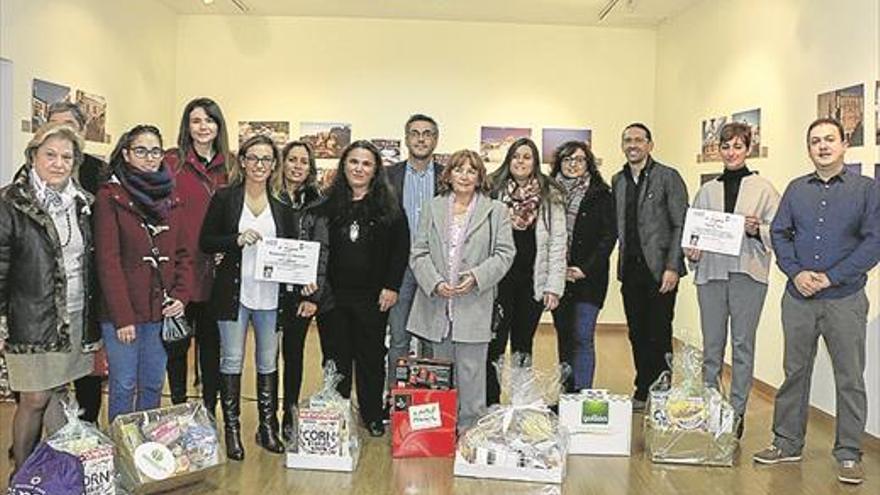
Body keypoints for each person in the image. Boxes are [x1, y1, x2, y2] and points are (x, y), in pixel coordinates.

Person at [754, 118, 880, 485]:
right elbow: (780, 233)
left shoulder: (867, 190)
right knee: (795, 372)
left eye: (829, 139)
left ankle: (848, 453)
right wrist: (795, 273)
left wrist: (830, 276)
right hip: (798, 298)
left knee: (850, 378)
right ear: (808, 149)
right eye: (815, 141)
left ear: (844, 145)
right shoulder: (796, 189)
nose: (822, 146)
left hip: (845, 298)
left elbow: (874, 242)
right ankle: (787, 442)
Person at [0, 123, 98, 470]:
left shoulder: (83, 204)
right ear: (33, 156)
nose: (58, 163)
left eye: (67, 157)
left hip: (74, 317)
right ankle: (22, 474)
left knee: (58, 393)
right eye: (50, 155)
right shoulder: (11, 201)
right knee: (35, 397)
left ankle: (60, 472)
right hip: (30, 319)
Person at [684, 122, 780, 438]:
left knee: (742, 345)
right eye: (726, 147)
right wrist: (691, 252)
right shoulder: (707, 190)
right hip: (711, 274)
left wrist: (757, 229)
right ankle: (711, 408)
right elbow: (693, 236)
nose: (731, 152)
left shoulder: (764, 188)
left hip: (747, 274)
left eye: (738, 146)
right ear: (719, 150)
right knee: (712, 346)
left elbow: (779, 233)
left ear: (748, 148)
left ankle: (736, 414)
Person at [408, 149, 515, 430]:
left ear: (480, 177)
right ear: (448, 174)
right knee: (439, 374)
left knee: (471, 374)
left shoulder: (496, 211)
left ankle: (470, 432)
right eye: (458, 169)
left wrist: (478, 277)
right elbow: (418, 252)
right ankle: (440, 431)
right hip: (437, 305)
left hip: (474, 303)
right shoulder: (433, 207)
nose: (465, 176)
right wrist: (434, 282)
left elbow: (505, 254)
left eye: (471, 170)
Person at [94, 125, 191, 422]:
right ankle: (122, 452)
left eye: (155, 151)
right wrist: (123, 317)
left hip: (159, 311)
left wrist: (181, 297)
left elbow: (183, 254)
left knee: (152, 383)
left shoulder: (171, 197)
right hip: (122, 315)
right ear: (125, 153)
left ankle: (145, 449)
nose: (150, 158)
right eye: (141, 151)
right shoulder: (110, 197)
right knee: (123, 384)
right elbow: (108, 262)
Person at [200, 135, 286, 460]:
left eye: (266, 159)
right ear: (243, 161)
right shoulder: (224, 198)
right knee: (232, 359)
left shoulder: (283, 205)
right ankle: (232, 430)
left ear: (273, 164)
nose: (259, 165)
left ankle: (267, 428)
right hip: (233, 294)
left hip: (271, 296)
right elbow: (206, 241)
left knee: (268, 361)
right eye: (254, 158)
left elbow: (293, 251)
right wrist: (234, 239)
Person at [316, 140, 409, 437]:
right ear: (344, 165)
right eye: (354, 162)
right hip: (333, 296)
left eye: (366, 163)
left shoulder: (390, 207)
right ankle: (339, 412)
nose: (359, 168)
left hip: (373, 297)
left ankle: (371, 414)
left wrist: (392, 286)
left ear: (375, 170)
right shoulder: (325, 206)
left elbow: (400, 250)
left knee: (370, 358)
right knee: (336, 356)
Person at [611, 123, 688, 410]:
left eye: (639, 140)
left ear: (650, 145)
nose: (633, 145)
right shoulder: (618, 180)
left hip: (660, 270)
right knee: (637, 332)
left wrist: (673, 266)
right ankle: (643, 388)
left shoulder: (668, 177)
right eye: (627, 140)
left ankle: (662, 391)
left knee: (659, 331)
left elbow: (681, 223)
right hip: (630, 271)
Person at [486, 137, 566, 406]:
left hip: (532, 281)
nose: (520, 161)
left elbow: (558, 242)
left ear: (535, 163)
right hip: (498, 282)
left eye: (527, 157)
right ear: (509, 160)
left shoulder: (549, 194)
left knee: (523, 345)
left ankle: (520, 405)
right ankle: (491, 405)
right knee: (494, 346)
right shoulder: (492, 190)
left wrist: (554, 286)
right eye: (516, 156)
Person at [164, 97, 231, 413]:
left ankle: (207, 411)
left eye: (209, 120)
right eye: (196, 121)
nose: (203, 127)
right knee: (176, 345)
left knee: (212, 348)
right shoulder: (171, 163)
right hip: (179, 272)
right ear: (186, 126)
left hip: (216, 275)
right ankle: (178, 408)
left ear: (219, 125)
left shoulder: (230, 167)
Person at [46, 102, 106, 423]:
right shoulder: (30, 174)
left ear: (82, 131)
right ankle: (49, 442)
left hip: (89, 287)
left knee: (88, 368)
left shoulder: (99, 172)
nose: (62, 131)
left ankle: (87, 430)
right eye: (54, 124)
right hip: (47, 297)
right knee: (46, 378)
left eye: (69, 125)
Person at [270, 140, 330, 442]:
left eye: (303, 161)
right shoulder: (268, 197)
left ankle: (289, 415)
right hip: (267, 290)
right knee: (267, 357)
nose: (297, 166)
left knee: (293, 355)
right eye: (291, 159)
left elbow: (322, 251)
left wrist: (313, 296)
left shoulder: (319, 203)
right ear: (282, 163)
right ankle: (267, 419)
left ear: (311, 168)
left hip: (302, 293)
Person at [384, 114, 444, 414]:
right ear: (406, 138)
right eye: (415, 133)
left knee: (432, 339)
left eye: (428, 134)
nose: (421, 139)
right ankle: (396, 400)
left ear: (436, 139)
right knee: (398, 339)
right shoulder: (388, 176)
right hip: (400, 268)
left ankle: (430, 404)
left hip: (435, 269)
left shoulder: (447, 177)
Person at [549, 141, 616, 393]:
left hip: (589, 278)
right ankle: (566, 393)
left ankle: (582, 394)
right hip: (558, 278)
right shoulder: (549, 192)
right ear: (559, 163)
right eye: (567, 159)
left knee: (583, 336)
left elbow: (608, 237)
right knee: (564, 337)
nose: (572, 164)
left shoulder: (601, 194)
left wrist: (583, 269)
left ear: (588, 163)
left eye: (578, 159)